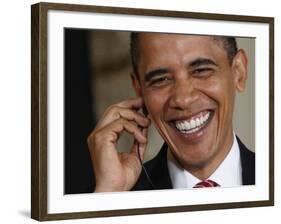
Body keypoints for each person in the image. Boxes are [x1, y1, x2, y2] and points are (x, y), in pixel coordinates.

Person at [87, 32, 255, 192]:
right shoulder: (111, 196)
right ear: (139, 89)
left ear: (238, 72)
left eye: (201, 70)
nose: (183, 99)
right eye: (161, 80)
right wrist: (109, 193)